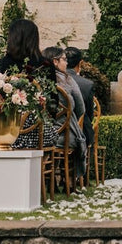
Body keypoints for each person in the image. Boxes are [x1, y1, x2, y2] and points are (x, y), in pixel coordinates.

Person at [43, 46, 87, 179]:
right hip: (65, 135)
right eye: (64, 59)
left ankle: (47, 179)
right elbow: (81, 108)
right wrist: (68, 119)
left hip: (41, 134)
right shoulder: (67, 80)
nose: (67, 63)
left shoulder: (38, 80)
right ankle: (67, 181)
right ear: (55, 61)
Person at [65, 46, 95, 159]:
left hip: (57, 132)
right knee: (86, 122)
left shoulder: (53, 81)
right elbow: (89, 113)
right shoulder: (87, 84)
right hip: (80, 132)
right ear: (80, 63)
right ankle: (83, 173)